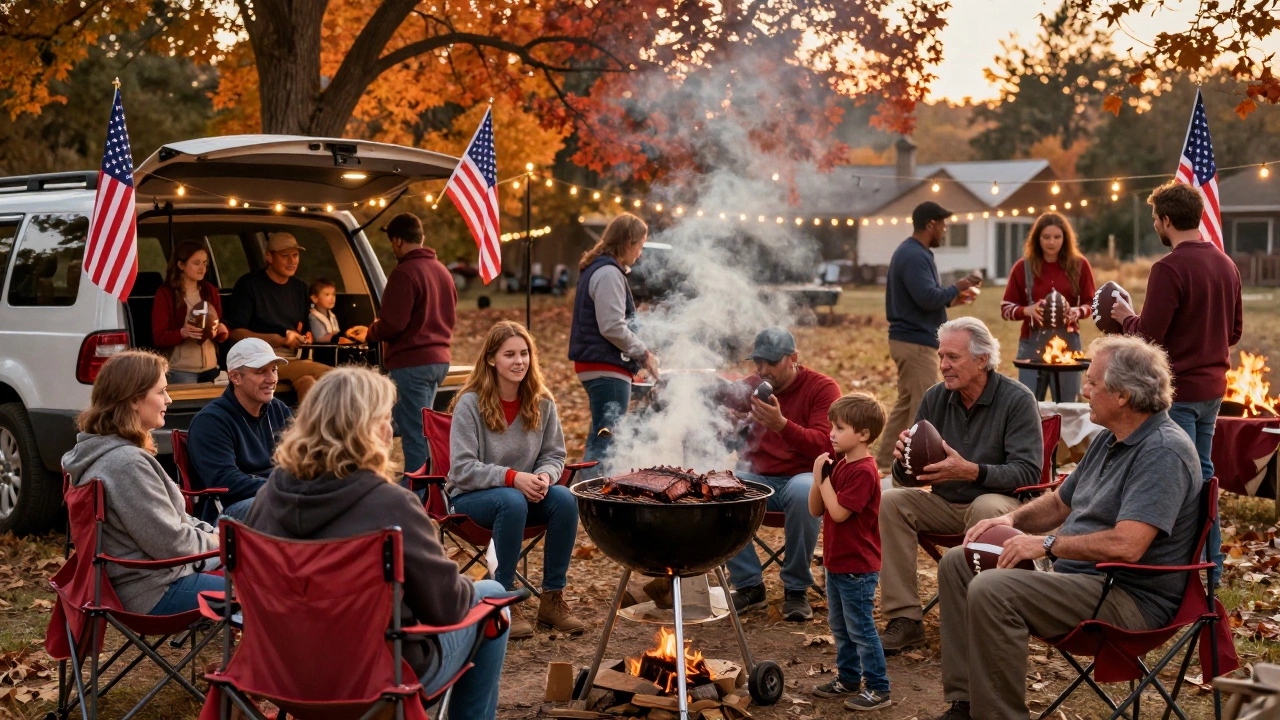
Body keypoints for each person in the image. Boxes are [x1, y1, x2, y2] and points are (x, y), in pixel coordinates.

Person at [928, 335, 1202, 720]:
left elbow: (1128, 545)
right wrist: (1010, 519)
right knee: (959, 563)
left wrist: (1048, 544)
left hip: (1128, 597)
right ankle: (966, 703)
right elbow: (1059, 503)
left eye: (1092, 382)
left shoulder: (1162, 451)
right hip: (1080, 581)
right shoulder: (1110, 438)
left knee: (994, 588)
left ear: (1123, 395)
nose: (1083, 390)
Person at [245, 366, 510, 720]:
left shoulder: (266, 499)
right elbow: (448, 608)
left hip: (284, 676)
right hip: (378, 680)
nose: (391, 431)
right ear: (365, 431)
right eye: (386, 419)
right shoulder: (391, 506)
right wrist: (466, 582)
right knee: (493, 597)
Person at [878, 317, 1043, 653]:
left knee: (984, 507)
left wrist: (971, 472)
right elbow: (910, 474)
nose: (943, 366)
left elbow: (1027, 473)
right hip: (946, 504)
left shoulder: (1017, 399)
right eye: (941, 357)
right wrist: (902, 460)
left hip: (1001, 508)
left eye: (953, 357)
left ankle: (977, 615)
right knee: (891, 501)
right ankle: (905, 619)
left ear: (982, 360)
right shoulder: (935, 399)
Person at [1111, 181, 1242, 582]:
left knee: (1187, 480)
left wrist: (1123, 318)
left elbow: (1149, 336)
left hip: (1180, 392)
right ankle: (1209, 565)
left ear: (1166, 220)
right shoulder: (1226, 265)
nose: (1155, 224)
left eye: (1155, 219)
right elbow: (1233, 332)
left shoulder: (1168, 269)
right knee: (1202, 471)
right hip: (1214, 390)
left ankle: (1192, 568)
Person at [60, 351, 221, 615]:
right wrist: (221, 544)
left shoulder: (107, 454)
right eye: (161, 392)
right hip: (154, 590)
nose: (169, 399)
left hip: (151, 579)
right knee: (263, 587)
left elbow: (173, 525)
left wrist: (215, 537)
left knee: (252, 563)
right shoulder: (126, 464)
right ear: (134, 399)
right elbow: (172, 545)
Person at [448, 321, 579, 639]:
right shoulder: (470, 403)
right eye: (510, 354)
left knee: (564, 498)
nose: (519, 361)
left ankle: (551, 599)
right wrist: (512, 478)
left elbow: (554, 455)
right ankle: (504, 598)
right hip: (472, 498)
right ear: (492, 359)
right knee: (510, 498)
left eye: (524, 353)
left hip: (523, 496)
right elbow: (463, 468)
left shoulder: (542, 401)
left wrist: (544, 477)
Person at [726, 327, 841, 621]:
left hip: (802, 477)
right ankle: (749, 586)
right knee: (720, 489)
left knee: (805, 492)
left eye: (771, 362)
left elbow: (827, 445)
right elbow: (722, 429)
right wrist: (729, 424)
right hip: (757, 476)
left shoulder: (822, 388)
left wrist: (782, 426)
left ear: (793, 359)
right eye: (758, 362)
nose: (763, 370)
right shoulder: (752, 387)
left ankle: (796, 589)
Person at [877, 201, 982, 472]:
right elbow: (926, 298)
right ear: (931, 224)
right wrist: (959, 285)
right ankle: (913, 468)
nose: (945, 230)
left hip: (909, 338)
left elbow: (924, 299)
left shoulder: (914, 253)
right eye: (943, 225)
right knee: (923, 406)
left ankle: (885, 464)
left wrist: (954, 299)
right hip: (915, 342)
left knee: (905, 403)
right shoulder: (914, 255)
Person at [808, 392, 891, 712]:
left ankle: (879, 687)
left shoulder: (864, 471)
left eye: (839, 428)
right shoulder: (841, 466)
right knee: (841, 627)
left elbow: (840, 513)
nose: (831, 433)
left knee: (860, 628)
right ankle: (848, 678)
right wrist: (820, 480)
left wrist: (823, 480)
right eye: (831, 426)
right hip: (837, 563)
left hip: (858, 566)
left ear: (863, 434)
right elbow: (816, 508)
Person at [365, 213, 457, 483]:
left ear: (398, 240)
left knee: (415, 431)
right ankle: (423, 482)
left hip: (412, 363)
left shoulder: (404, 272)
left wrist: (370, 331)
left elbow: (393, 324)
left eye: (392, 242)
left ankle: (419, 491)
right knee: (422, 427)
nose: (393, 248)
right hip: (439, 361)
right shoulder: (442, 271)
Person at [568, 213, 660, 471]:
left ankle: (584, 498)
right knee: (605, 444)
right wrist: (644, 354)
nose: (640, 254)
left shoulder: (600, 268)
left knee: (600, 437)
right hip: (606, 368)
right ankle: (590, 500)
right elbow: (612, 326)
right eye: (640, 245)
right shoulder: (608, 272)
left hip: (597, 366)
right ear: (628, 242)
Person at [186, 338, 292, 523]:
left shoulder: (279, 409)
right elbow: (225, 480)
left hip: (280, 494)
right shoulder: (210, 421)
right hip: (230, 509)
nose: (272, 379)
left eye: (274, 370)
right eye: (260, 372)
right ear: (235, 377)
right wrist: (281, 487)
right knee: (290, 505)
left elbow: (303, 458)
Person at [1000, 212, 1097, 401]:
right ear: (1037, 239)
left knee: (1069, 404)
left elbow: (1092, 303)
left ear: (1065, 238)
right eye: (1046, 237)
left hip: (1068, 343)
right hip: (1031, 344)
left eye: (1057, 237)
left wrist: (1077, 311)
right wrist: (1026, 310)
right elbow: (1005, 308)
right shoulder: (1023, 267)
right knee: (1028, 405)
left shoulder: (1080, 265)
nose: (1051, 242)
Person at [223, 232, 330, 401]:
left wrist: (302, 339)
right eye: (285, 256)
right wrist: (276, 339)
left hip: (294, 358)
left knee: (308, 383)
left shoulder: (299, 287)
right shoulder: (249, 285)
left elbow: (304, 329)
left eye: (295, 255)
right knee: (331, 374)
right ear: (269, 257)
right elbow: (235, 333)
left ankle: (307, 427)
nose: (292, 261)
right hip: (259, 361)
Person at [152, 240, 230, 384]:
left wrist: (221, 330)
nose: (202, 268)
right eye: (196, 263)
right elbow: (159, 337)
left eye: (205, 263)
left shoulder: (210, 291)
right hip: (180, 370)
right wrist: (182, 333)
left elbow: (218, 324)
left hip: (212, 368)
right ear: (181, 265)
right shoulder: (166, 294)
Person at [307, 277, 366, 344]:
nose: (332, 298)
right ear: (315, 298)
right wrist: (336, 336)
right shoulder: (313, 317)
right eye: (327, 294)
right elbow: (319, 339)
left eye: (333, 294)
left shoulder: (332, 316)